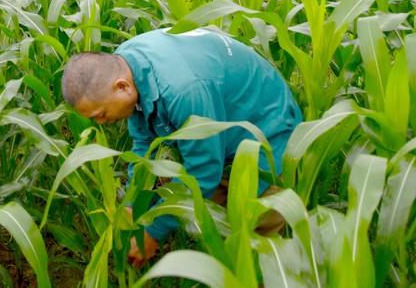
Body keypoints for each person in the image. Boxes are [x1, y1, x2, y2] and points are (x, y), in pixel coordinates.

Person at [61, 27, 303, 268]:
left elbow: (204, 173)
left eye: (101, 114)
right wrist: (131, 203)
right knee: (217, 231)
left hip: (268, 134)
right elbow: (144, 143)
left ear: (122, 87)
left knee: (257, 245)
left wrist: (153, 232)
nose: (100, 123)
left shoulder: (183, 91)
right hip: (223, 131)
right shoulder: (126, 64)